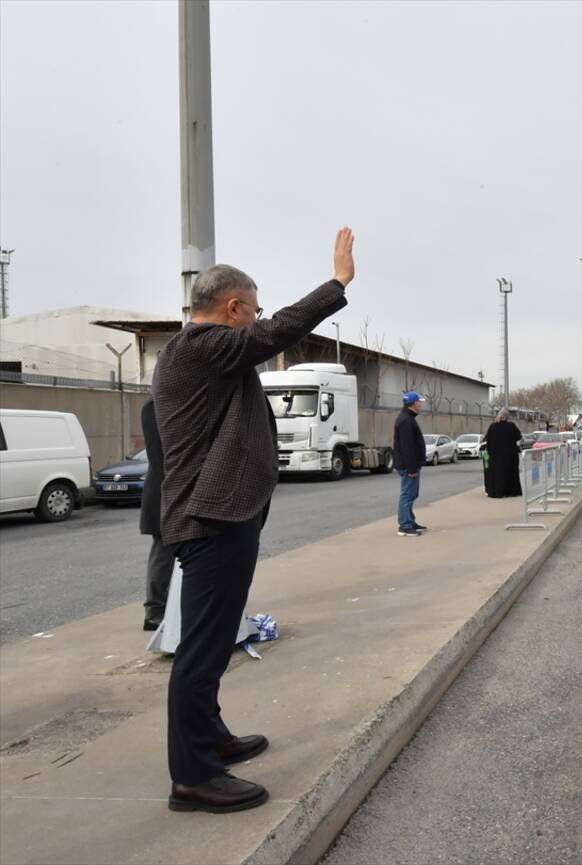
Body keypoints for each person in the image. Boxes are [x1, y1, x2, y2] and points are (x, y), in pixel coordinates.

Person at [151, 228, 354, 814]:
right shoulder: (201, 346)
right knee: (201, 649)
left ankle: (209, 738)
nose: (258, 319)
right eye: (254, 310)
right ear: (234, 307)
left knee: (212, 646)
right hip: (210, 521)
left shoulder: (208, 354)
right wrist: (337, 283)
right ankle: (191, 776)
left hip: (220, 517)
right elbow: (278, 331)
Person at [139, 399, 176, 631]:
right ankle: (155, 611)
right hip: (165, 491)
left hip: (172, 489)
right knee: (163, 552)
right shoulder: (155, 405)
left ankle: (166, 607)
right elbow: (159, 455)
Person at [393, 391, 428, 536]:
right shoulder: (406, 420)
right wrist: (412, 468)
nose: (420, 404)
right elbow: (407, 447)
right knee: (407, 495)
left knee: (412, 494)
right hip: (408, 466)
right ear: (413, 404)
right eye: (419, 402)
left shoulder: (408, 418)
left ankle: (410, 521)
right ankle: (405, 526)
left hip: (410, 465)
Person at [481, 409, 523, 498]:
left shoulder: (492, 426)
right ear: (507, 416)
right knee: (510, 472)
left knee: (497, 474)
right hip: (510, 454)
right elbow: (518, 437)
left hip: (495, 455)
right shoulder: (511, 426)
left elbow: (487, 439)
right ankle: (510, 491)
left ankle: (497, 491)